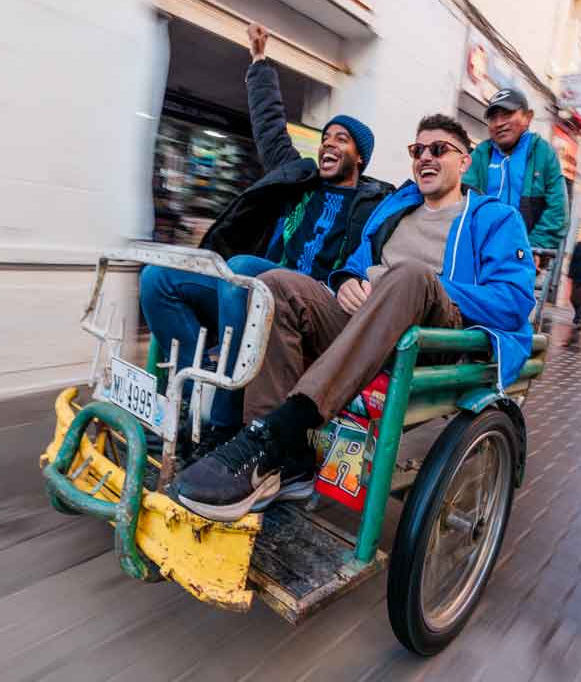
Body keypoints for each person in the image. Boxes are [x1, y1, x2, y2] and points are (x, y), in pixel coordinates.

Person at [173, 114, 536, 521]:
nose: (425, 158)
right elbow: (356, 264)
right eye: (418, 150)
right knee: (277, 284)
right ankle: (281, 462)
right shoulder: (396, 209)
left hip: (435, 337)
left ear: (465, 161)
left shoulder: (496, 218)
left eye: (439, 149)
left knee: (410, 274)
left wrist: (407, 281)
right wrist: (346, 279)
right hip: (366, 327)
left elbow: (514, 301)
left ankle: (281, 431)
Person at [139, 23, 393, 451]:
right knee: (157, 279)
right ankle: (185, 401)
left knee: (246, 274)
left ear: (360, 157)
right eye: (326, 137)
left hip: (307, 308)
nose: (329, 144)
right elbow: (270, 127)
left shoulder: (374, 205)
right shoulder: (298, 178)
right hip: (247, 294)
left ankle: (223, 429)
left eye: (342, 139)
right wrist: (259, 64)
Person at [462, 87, 567, 253]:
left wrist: (533, 247)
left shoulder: (542, 152)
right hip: (479, 249)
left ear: (528, 117)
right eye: (493, 118)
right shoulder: (481, 153)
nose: (499, 123)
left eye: (507, 114)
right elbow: (463, 197)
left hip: (523, 253)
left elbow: (557, 211)